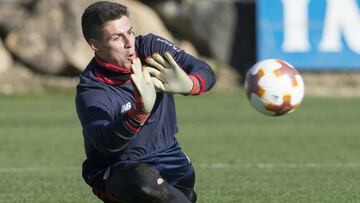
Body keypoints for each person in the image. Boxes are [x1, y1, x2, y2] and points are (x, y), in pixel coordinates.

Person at [76, 1, 216, 203]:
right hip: (118, 170)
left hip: (170, 157)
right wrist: (139, 112)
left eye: (130, 32)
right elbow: (106, 144)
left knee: (173, 189)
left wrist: (190, 84)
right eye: (117, 38)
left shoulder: (150, 48)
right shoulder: (92, 88)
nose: (128, 43)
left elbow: (203, 69)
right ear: (95, 45)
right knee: (144, 182)